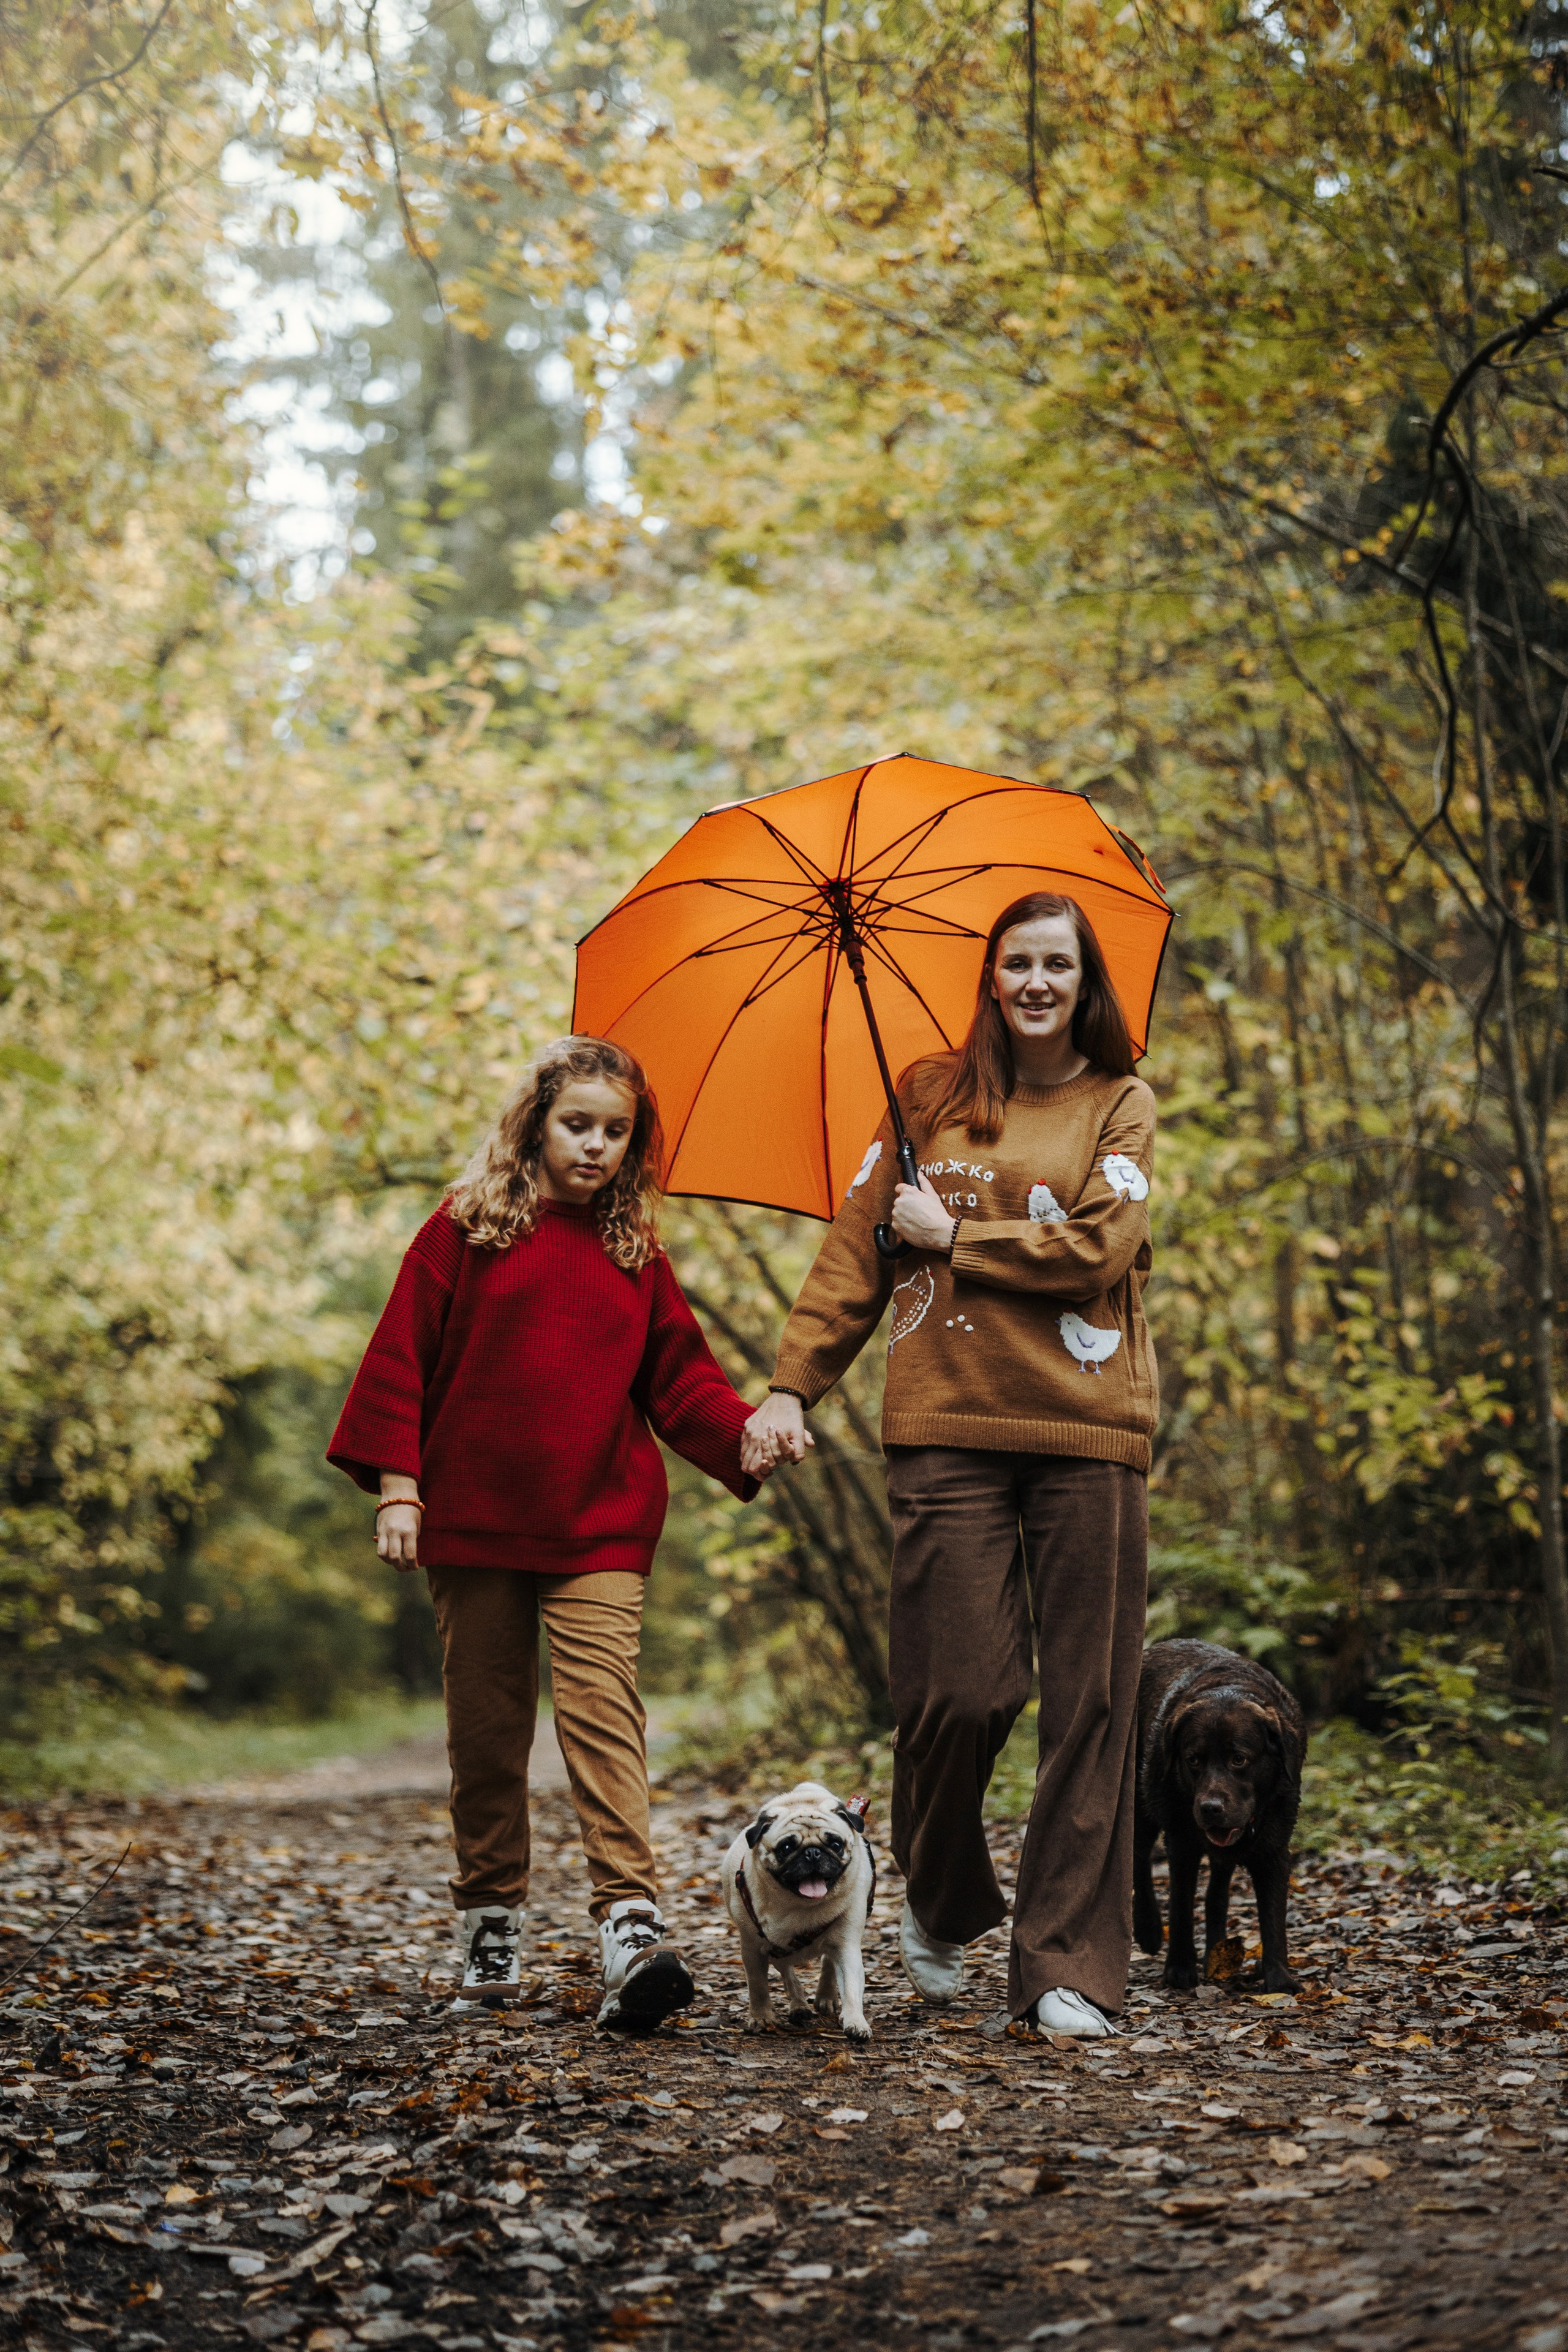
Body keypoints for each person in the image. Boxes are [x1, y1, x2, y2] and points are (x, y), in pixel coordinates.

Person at [745, 892, 1156, 2037]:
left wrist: (959, 1239)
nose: (1035, 982)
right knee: (952, 1694)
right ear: (992, 976)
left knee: (1093, 1704)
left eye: (1056, 965)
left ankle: (1066, 1970)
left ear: (1085, 982)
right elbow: (854, 1249)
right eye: (1016, 962)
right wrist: (791, 1385)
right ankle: (941, 1888)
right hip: (943, 1425)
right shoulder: (926, 1095)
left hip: (1088, 1426)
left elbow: (1100, 1248)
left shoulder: (1120, 1103)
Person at [328, 1036, 778, 2029]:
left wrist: (748, 1436)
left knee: (601, 1713)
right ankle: (489, 1921)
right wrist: (399, 1488)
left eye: (618, 1133)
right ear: (535, 1123)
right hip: (475, 1520)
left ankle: (629, 1922)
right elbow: (400, 1359)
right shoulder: (464, 1230)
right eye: (579, 1124)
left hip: (599, 1522)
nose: (597, 1147)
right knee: (487, 1734)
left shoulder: (634, 1253)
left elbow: (683, 1379)